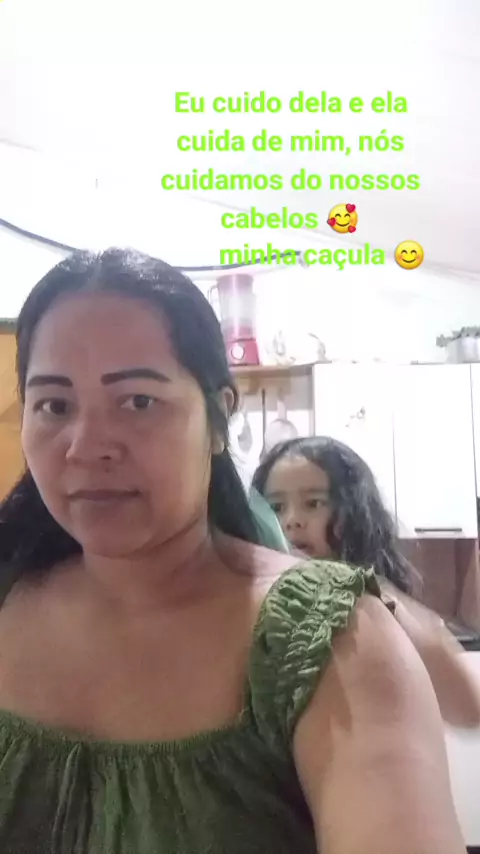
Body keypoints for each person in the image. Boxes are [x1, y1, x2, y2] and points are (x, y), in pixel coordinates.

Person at [0, 248, 466, 854]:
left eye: (138, 401)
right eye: (54, 406)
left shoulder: (327, 644)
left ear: (219, 419)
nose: (87, 447)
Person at [253, 435, 480, 729]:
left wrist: (372, 592)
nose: (292, 520)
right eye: (276, 507)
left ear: (354, 513)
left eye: (313, 503)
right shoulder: (254, 607)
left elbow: (467, 708)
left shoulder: (378, 602)